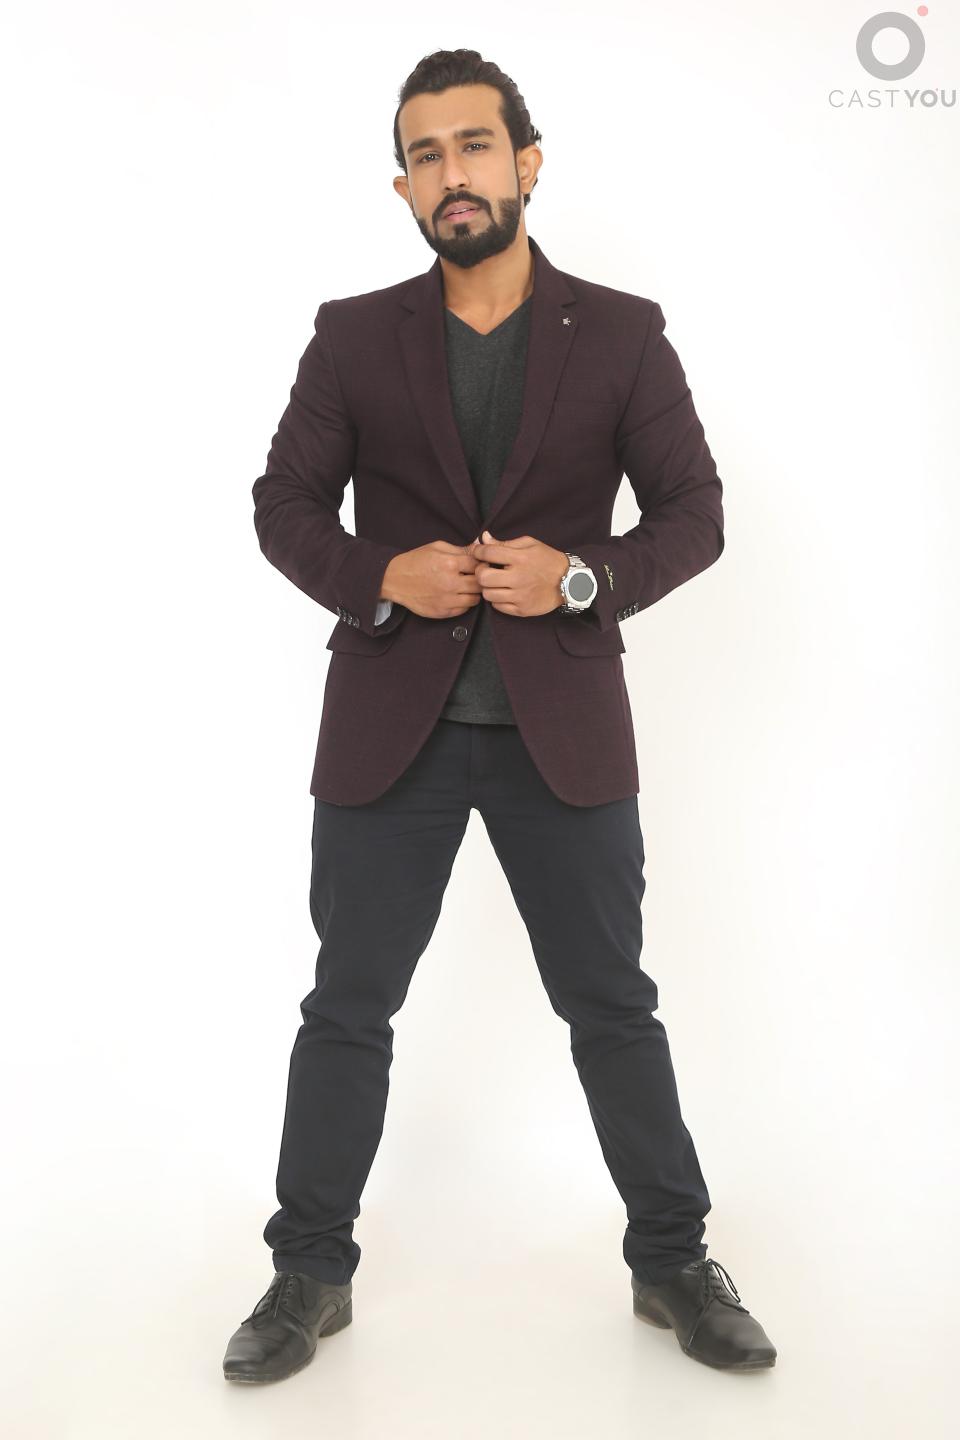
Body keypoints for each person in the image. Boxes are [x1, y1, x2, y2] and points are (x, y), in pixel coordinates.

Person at [223, 47, 776, 1384]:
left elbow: (694, 512)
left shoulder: (622, 333)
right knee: (348, 1006)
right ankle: (308, 1272)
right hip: (390, 732)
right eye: (425, 155)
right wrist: (381, 575)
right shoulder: (355, 335)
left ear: (526, 163)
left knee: (612, 1004)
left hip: (561, 732)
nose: (451, 174)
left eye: (473, 146)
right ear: (403, 186)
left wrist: (581, 577)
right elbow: (283, 504)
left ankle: (672, 1260)